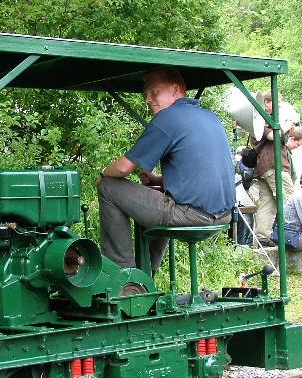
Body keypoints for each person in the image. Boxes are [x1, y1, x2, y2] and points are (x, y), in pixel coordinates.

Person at [97, 67, 234, 273]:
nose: (148, 99)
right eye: (146, 94)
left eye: (155, 92)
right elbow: (201, 174)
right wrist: (158, 180)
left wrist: (103, 174)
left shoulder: (167, 118)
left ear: (175, 89)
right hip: (224, 216)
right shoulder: (209, 116)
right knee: (158, 196)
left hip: (192, 216)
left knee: (108, 186)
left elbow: (123, 167)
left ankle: (122, 276)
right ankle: (147, 274)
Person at [251, 92, 295, 247]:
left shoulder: (261, 119)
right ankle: (291, 237)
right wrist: (287, 125)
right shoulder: (261, 119)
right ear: (267, 102)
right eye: (277, 103)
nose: (279, 107)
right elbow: (273, 136)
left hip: (265, 167)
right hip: (273, 165)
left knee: (267, 203)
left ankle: (262, 238)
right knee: (289, 200)